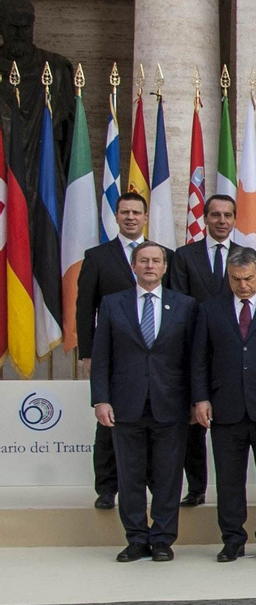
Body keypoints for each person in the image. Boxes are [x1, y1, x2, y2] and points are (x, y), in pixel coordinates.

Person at [91, 242, 198, 563]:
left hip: (172, 404)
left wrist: (196, 401)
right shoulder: (112, 304)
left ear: (165, 268)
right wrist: (100, 400)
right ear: (133, 267)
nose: (150, 266)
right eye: (143, 261)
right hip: (126, 405)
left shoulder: (185, 305)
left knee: (168, 476)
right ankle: (136, 538)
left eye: (156, 261)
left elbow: (194, 359)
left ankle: (163, 539)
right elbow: (101, 359)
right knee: (130, 475)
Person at [191, 249, 256, 561]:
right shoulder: (210, 309)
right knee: (228, 479)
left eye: (249, 278)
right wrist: (201, 398)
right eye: (236, 279)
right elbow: (199, 359)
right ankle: (232, 539)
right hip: (226, 409)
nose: (243, 286)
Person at [74, 192, 172, 510]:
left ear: (145, 217)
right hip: (115, 355)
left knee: (153, 424)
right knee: (109, 425)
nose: (130, 217)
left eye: (136, 212)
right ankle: (106, 487)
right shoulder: (98, 257)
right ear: (115, 216)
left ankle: (155, 486)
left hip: (157, 358)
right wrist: (87, 354)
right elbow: (84, 308)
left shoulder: (162, 256)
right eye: (124, 212)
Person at [167, 194, 245, 507]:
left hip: (232, 353)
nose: (222, 221)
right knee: (193, 425)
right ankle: (196, 487)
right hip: (194, 351)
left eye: (227, 215)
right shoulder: (184, 256)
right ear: (206, 218)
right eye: (215, 215)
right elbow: (180, 304)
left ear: (235, 219)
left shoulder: (246, 255)